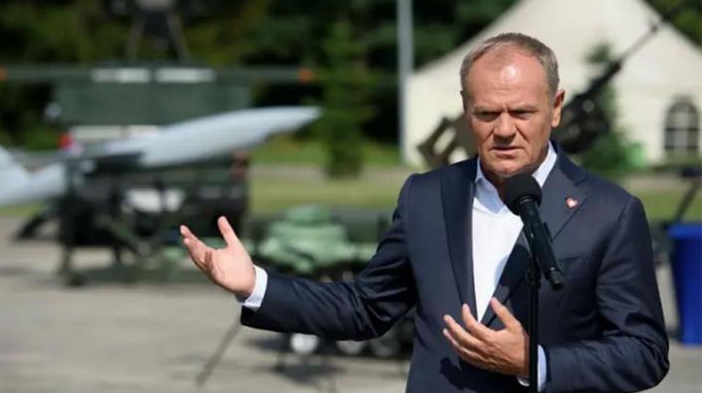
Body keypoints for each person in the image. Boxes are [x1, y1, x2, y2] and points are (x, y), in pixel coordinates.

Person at [181, 32, 669, 392]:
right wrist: (255, 285)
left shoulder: (610, 212)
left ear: (556, 107)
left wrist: (535, 364)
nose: (504, 130)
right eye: (486, 114)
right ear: (465, 109)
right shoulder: (426, 196)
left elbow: (644, 352)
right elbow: (366, 308)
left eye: (522, 113)